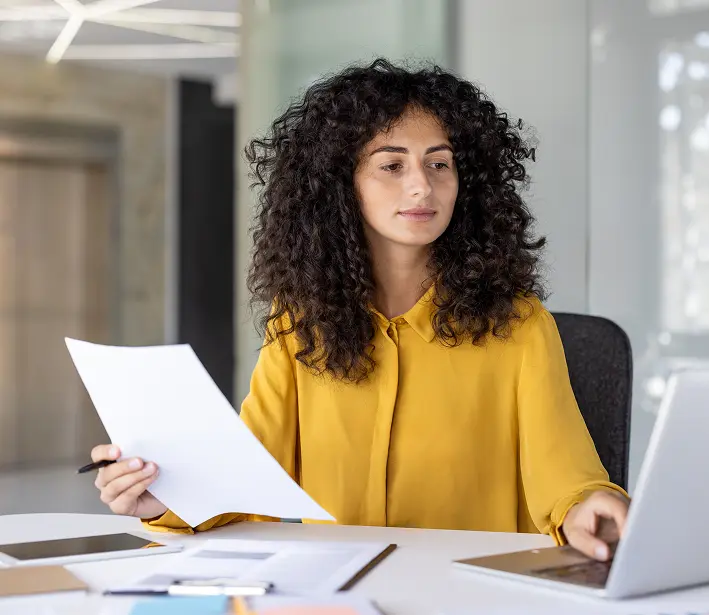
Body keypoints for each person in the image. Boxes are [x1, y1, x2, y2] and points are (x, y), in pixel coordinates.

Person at [88, 59, 630, 561]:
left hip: (472, 592)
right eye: (391, 166)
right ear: (340, 186)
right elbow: (243, 483)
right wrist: (159, 501)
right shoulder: (298, 325)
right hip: (336, 591)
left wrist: (589, 507)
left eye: (439, 163)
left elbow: (566, 477)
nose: (422, 185)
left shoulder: (518, 324)